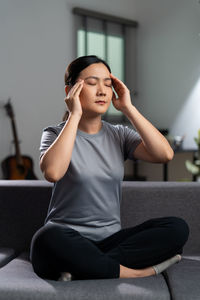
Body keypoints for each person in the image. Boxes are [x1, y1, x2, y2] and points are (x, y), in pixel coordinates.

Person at [30, 55, 189, 281]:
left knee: (177, 228)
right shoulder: (54, 134)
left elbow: (165, 154)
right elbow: (53, 172)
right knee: (46, 239)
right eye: (92, 83)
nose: (102, 91)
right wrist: (74, 115)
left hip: (110, 240)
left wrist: (128, 108)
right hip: (66, 237)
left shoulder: (119, 134)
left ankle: (87, 265)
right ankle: (133, 272)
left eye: (107, 83)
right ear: (70, 90)